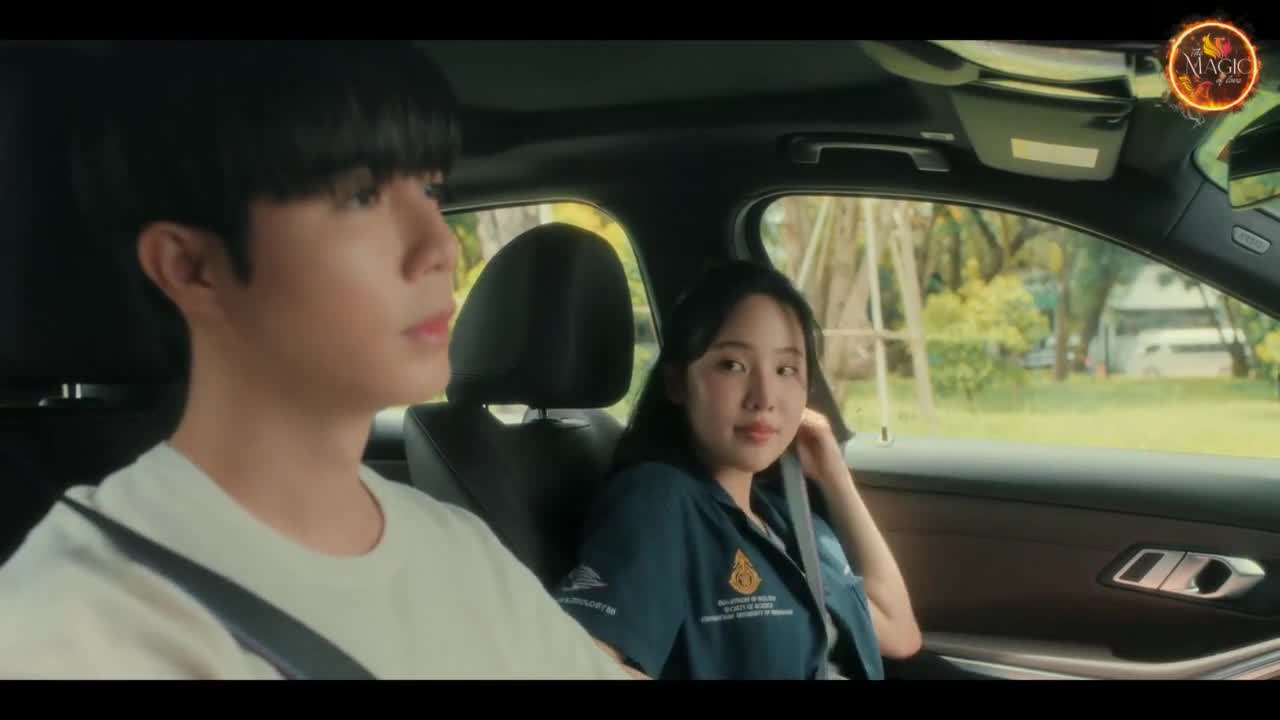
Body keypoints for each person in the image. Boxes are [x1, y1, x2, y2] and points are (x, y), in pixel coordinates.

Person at [0, 42, 631, 680]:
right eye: (361, 196)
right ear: (190, 268)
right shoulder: (78, 625)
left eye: (430, 190)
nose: (440, 246)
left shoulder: (457, 547)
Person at [553, 260, 922, 680]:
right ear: (676, 382)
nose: (764, 397)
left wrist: (835, 477)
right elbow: (581, 665)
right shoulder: (659, 503)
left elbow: (899, 633)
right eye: (733, 365)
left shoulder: (782, 519)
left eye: (786, 370)